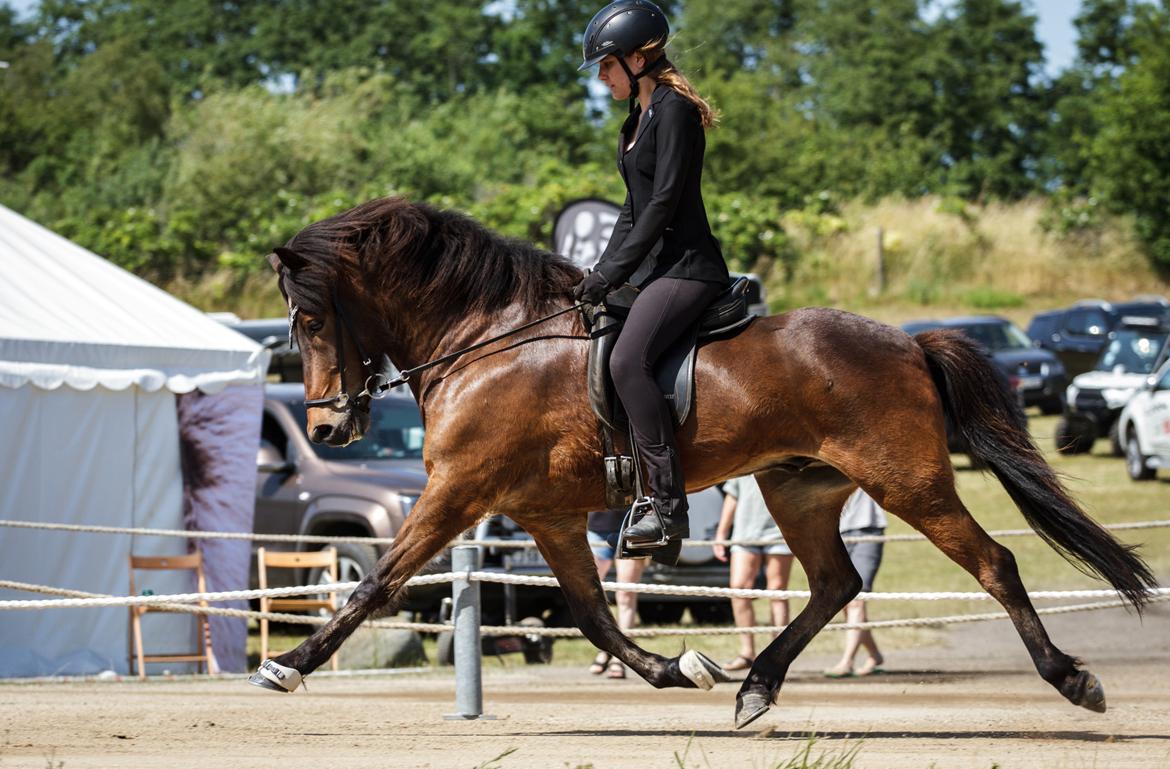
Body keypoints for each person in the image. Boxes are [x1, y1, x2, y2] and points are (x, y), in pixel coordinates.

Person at [573, 0, 731, 556]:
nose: (601, 76)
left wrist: (615, 272)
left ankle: (666, 506)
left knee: (625, 361)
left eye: (606, 65)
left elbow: (663, 204)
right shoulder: (634, 119)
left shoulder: (674, 111)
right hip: (652, 269)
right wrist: (597, 275)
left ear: (639, 58)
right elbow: (630, 211)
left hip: (688, 268)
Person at [713, 476, 794, 671]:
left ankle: (778, 655)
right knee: (739, 589)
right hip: (745, 533)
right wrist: (721, 534)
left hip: (779, 533)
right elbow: (732, 495)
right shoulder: (743, 459)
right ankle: (747, 652)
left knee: (777, 591)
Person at [824, 488, 887, 678]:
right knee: (845, 601)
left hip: (867, 530)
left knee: (857, 600)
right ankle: (875, 655)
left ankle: (847, 661)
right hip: (836, 532)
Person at [586, 509, 647, 679]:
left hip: (633, 526)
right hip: (597, 526)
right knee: (593, 592)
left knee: (626, 594)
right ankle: (606, 647)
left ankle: (622, 656)